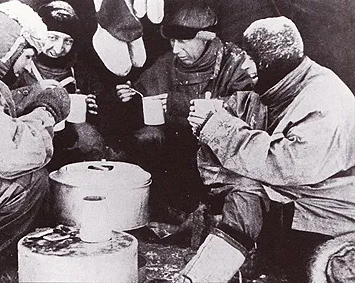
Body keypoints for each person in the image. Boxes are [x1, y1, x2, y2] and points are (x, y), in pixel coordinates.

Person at [179, 16, 355, 282]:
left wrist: (218, 128)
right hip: (297, 197)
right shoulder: (289, 82)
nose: (243, 65)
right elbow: (253, 104)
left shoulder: (326, 101)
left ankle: (205, 275)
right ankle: (200, 277)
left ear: (268, 62)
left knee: (248, 190)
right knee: (246, 193)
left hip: (328, 213)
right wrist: (220, 110)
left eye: (249, 58)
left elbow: (283, 164)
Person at [0, 1, 70, 282]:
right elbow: (11, 155)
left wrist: (30, 95)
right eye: (28, 56)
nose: (27, 65)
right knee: (30, 182)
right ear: (12, 48)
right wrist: (46, 112)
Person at [115, 2, 257, 229]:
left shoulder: (237, 64)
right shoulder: (169, 63)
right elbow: (144, 91)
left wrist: (184, 105)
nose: (175, 49)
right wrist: (130, 96)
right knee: (146, 138)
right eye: (172, 41)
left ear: (206, 37)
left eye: (182, 41)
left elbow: (248, 110)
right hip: (176, 148)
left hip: (219, 151)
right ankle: (166, 212)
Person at [12, 0, 108, 172]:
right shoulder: (20, 65)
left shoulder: (80, 70)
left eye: (68, 41)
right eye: (52, 38)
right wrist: (34, 93)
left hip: (71, 151)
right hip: (31, 146)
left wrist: (93, 106)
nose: (58, 48)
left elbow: (103, 109)